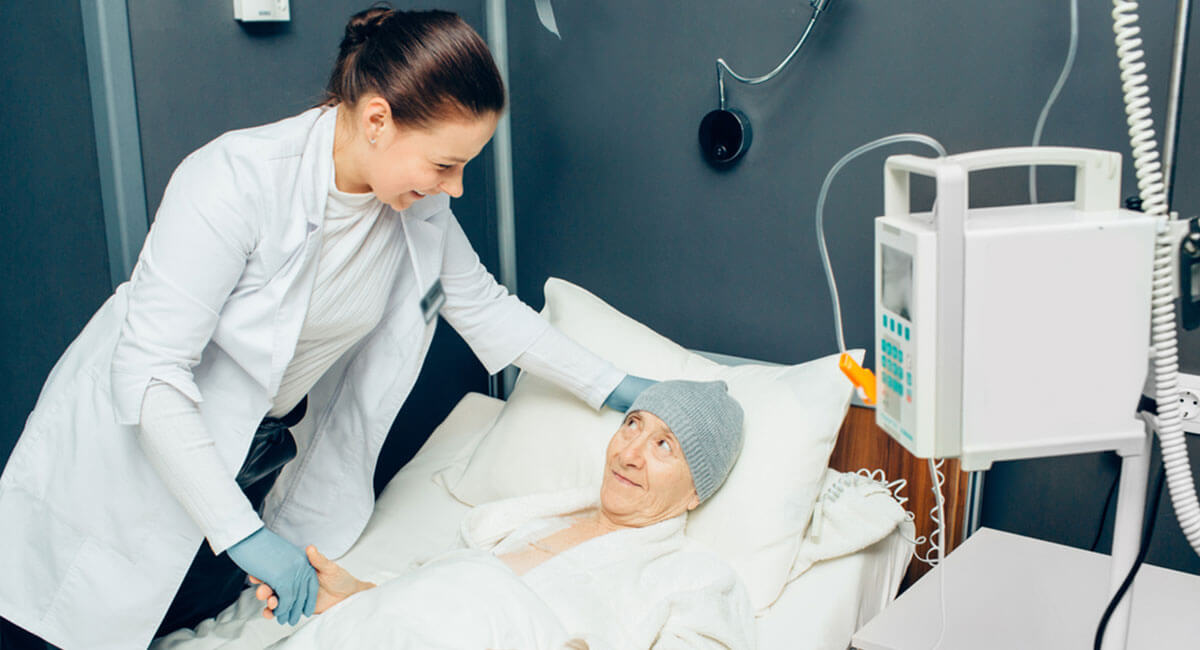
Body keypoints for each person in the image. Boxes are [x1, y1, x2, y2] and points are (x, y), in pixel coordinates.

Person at [0, 7, 653, 650]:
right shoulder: (235, 181)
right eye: (444, 164)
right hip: (131, 467)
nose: (455, 189)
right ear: (377, 120)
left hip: (247, 468)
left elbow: (482, 307)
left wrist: (621, 387)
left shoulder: (414, 209)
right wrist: (244, 535)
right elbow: (150, 376)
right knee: (63, 621)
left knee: (177, 630)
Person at [249, 380, 753, 650]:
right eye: (631, 425)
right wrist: (356, 596)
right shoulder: (526, 524)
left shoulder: (697, 581)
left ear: (695, 492)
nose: (629, 453)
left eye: (664, 445)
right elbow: (435, 613)